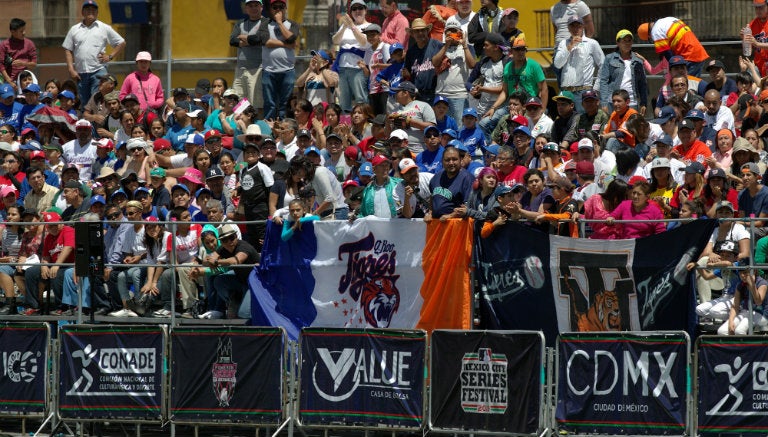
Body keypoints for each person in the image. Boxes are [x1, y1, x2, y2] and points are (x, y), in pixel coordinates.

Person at [62, 0, 126, 110]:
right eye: (87, 9)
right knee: (85, 103)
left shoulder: (104, 28)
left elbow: (121, 42)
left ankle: (100, 124)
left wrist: (110, 56)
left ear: (97, 12)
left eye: (93, 10)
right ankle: (89, 126)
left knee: (98, 100)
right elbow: (68, 49)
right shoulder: (74, 29)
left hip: (99, 70)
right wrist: (71, 69)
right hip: (81, 73)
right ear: (82, 12)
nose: (90, 12)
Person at [200, 224, 260, 319]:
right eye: (224, 240)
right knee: (218, 280)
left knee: (244, 314)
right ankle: (234, 299)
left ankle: (243, 307)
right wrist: (208, 263)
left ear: (236, 237)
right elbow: (207, 261)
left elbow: (236, 260)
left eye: (231, 238)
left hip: (255, 284)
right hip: (242, 282)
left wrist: (216, 262)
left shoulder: (243, 246)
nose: (229, 242)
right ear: (221, 242)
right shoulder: (223, 248)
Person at [488, 37, 547, 129]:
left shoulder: (533, 65)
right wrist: (493, 108)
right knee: (485, 123)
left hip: (529, 106)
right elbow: (505, 91)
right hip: (511, 105)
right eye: (517, 49)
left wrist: (542, 110)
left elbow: (543, 89)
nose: (521, 52)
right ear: (511, 51)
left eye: (523, 49)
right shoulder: (507, 67)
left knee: (523, 126)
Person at [258, 0, 300, 119]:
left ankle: (283, 126)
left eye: (281, 7)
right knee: (269, 103)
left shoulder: (293, 24)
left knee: (285, 104)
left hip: (288, 71)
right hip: (268, 71)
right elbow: (266, 41)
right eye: (274, 7)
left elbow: (291, 38)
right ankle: (269, 127)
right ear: (270, 9)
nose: (278, 10)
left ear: (285, 8)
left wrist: (280, 23)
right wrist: (286, 45)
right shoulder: (264, 23)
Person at [553, 16, 604, 113]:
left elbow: (603, 65)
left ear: (583, 27)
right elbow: (557, 64)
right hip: (566, 91)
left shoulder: (592, 43)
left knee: (583, 123)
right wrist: (570, 46)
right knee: (566, 123)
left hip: (583, 91)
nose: (576, 29)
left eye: (578, 26)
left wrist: (596, 87)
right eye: (573, 26)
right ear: (568, 28)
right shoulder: (563, 43)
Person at [230, 0, 268, 116]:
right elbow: (232, 40)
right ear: (246, 8)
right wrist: (250, 40)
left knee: (256, 104)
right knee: (238, 102)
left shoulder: (266, 22)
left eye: (256, 5)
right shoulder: (239, 23)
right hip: (240, 69)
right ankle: (241, 126)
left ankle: (256, 128)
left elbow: (259, 39)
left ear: (261, 7)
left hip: (257, 69)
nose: (253, 8)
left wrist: (243, 38)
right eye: (250, 6)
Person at [432, 18, 474, 123]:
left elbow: (472, 65)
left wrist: (464, 45)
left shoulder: (468, 47)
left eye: (455, 31)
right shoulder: (440, 47)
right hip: (441, 94)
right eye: (449, 31)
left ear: (460, 33)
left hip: (459, 95)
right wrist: (446, 45)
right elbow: (435, 62)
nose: (452, 34)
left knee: (459, 125)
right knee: (441, 125)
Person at [637, 17, 708, 77]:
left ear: (649, 36)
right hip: (698, 51)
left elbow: (668, 55)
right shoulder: (667, 20)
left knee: (687, 87)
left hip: (688, 55)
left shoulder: (655, 31)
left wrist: (674, 69)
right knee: (694, 85)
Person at [332, 0, 370, 114]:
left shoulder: (368, 26)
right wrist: (344, 26)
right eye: (354, 9)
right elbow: (335, 40)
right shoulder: (346, 27)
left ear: (365, 10)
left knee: (361, 100)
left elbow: (364, 42)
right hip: (343, 69)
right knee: (344, 102)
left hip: (358, 69)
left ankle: (364, 127)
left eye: (360, 8)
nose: (357, 11)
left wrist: (353, 26)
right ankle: (346, 127)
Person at [599, 29, 648, 116]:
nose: (627, 43)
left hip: (632, 102)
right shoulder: (609, 58)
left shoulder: (638, 61)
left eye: (629, 41)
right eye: (624, 41)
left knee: (630, 128)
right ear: (618, 43)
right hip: (613, 102)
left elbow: (643, 84)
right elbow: (604, 81)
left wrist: (643, 103)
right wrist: (604, 103)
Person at [388, 81, 436, 154]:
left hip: (418, 147)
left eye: (398, 92)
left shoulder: (423, 106)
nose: (395, 94)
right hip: (399, 148)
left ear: (405, 93)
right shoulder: (394, 110)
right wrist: (387, 122)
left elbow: (432, 127)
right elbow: (387, 134)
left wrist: (410, 122)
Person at [426, 145, 473, 220]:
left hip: (456, 225)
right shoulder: (437, 177)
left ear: (460, 160)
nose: (451, 163)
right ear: (442, 161)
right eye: (447, 160)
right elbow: (432, 198)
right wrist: (430, 213)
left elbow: (468, 207)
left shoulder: (467, 178)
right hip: (437, 225)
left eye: (454, 159)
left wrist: (451, 216)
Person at [403, 18, 441, 104]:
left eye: (422, 30)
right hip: (417, 95)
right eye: (417, 31)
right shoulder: (410, 51)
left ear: (427, 31)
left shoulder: (437, 45)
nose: (420, 33)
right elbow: (407, 73)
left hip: (435, 94)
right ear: (412, 34)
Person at [721, 267, 768, 335]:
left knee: (739, 331)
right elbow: (735, 306)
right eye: (740, 273)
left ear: (754, 272)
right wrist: (731, 321)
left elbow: (758, 302)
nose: (742, 276)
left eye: (745, 272)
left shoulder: (762, 283)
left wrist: (752, 286)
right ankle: (732, 345)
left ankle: (747, 345)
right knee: (722, 331)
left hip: (761, 314)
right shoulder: (740, 284)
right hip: (746, 311)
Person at [0, 18, 37, 89]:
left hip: (26, 82)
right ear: (13, 32)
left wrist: (23, 63)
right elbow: (1, 65)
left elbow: (34, 64)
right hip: (9, 83)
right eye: (21, 31)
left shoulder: (29, 44)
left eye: (24, 30)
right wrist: (9, 81)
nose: (24, 33)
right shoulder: (4, 45)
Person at [745, 0, 768, 77]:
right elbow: (748, 51)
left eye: (761, 7)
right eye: (756, 8)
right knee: (748, 75)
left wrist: (757, 44)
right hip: (758, 65)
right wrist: (745, 40)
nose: (758, 10)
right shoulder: (752, 24)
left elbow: (756, 44)